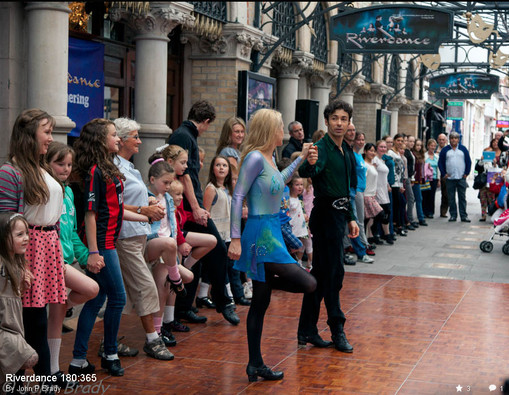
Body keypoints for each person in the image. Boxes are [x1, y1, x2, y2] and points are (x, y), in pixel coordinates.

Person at [228, 108, 317, 382]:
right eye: (280, 127)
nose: (283, 132)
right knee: (309, 284)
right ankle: (255, 362)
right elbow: (238, 195)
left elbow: (281, 179)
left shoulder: (268, 157)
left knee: (261, 302)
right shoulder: (255, 157)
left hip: (271, 231)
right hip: (259, 233)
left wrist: (300, 159)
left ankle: (255, 364)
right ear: (270, 130)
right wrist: (234, 238)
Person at [70, 118, 149, 377]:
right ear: (100, 140)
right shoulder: (94, 171)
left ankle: (78, 360)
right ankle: (110, 353)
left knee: (98, 298)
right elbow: (91, 215)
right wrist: (93, 252)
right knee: (118, 297)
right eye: (114, 135)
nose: (118, 138)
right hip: (102, 245)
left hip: (107, 242)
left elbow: (117, 210)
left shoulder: (108, 169)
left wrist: (146, 216)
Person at [0, 109, 66, 385]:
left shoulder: (37, 167)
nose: (51, 138)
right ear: (29, 135)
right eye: (47, 132)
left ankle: (44, 378)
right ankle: (27, 383)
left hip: (47, 248)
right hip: (26, 252)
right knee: (22, 322)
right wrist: (20, 264)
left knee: (37, 317)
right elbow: (7, 223)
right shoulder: (11, 171)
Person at [167, 100, 239, 326]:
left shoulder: (187, 135)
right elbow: (184, 175)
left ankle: (184, 307)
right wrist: (196, 207)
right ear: (206, 121)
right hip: (187, 209)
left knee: (198, 257)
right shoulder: (183, 136)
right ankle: (223, 300)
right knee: (217, 246)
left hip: (191, 206)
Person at [297, 99, 360, 354]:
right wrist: (310, 162)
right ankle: (337, 328)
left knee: (322, 276)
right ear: (326, 120)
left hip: (339, 215)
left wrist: (352, 217)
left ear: (348, 122)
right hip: (324, 216)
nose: (339, 123)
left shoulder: (346, 150)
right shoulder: (320, 148)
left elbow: (347, 189)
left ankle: (307, 330)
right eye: (335, 118)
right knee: (335, 274)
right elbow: (307, 170)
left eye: (344, 119)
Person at [113, 117, 178, 361]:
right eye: (135, 136)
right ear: (121, 140)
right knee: (145, 286)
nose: (140, 140)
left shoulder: (130, 166)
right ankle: (153, 338)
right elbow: (115, 205)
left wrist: (147, 202)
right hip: (125, 237)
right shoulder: (115, 167)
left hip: (137, 236)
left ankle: (109, 341)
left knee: (123, 294)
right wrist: (144, 211)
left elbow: (130, 199)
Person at [45, 142, 100, 384]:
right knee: (92, 289)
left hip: (66, 260)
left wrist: (86, 255)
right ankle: (49, 372)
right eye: (60, 164)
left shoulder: (67, 192)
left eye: (69, 164)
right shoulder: (46, 191)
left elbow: (73, 233)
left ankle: (54, 372)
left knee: (55, 321)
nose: (66, 169)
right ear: (46, 163)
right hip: (52, 262)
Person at [145, 158, 194, 345]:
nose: (168, 187)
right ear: (152, 180)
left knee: (180, 280)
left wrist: (177, 242)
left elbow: (172, 224)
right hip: (153, 245)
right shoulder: (147, 195)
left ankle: (159, 329)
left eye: (170, 183)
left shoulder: (167, 198)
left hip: (168, 250)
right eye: (165, 183)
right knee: (164, 285)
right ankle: (157, 332)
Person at [203, 155, 250, 306]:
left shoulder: (228, 190)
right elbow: (206, 213)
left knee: (230, 266)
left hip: (229, 233)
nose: (221, 168)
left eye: (224, 165)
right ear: (213, 168)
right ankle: (224, 296)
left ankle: (229, 295)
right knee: (218, 267)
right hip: (216, 234)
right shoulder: (211, 189)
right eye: (218, 165)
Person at [0, 212, 38, 391]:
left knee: (10, 379)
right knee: (30, 357)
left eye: (27, 234)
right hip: (3, 329)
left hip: (14, 327)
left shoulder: (17, 263)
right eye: (19, 234)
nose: (26, 239)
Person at [438, 131, 472, 222]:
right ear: (449, 140)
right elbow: (440, 163)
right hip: (450, 178)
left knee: (462, 198)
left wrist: (467, 173)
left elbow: (468, 161)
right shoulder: (445, 150)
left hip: (461, 177)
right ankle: (453, 215)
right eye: (452, 138)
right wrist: (444, 173)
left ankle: (463, 216)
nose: (454, 140)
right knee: (451, 198)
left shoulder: (463, 149)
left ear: (458, 140)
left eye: (456, 138)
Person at [288, 175, 313, 270]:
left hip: (300, 229)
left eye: (301, 184)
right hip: (292, 230)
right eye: (297, 185)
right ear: (291, 186)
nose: (300, 187)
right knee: (293, 249)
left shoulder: (299, 199)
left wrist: (304, 216)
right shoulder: (289, 200)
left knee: (300, 246)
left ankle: (297, 264)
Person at [362, 143, 383, 251]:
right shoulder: (364, 165)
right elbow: (363, 180)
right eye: (370, 150)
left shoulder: (371, 164)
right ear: (365, 151)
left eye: (374, 151)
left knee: (368, 218)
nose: (372, 153)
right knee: (379, 213)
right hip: (366, 195)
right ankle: (367, 239)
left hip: (372, 195)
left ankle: (367, 238)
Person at [373, 140, 392, 244]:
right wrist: (374, 190)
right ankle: (375, 235)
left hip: (384, 189)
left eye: (385, 147)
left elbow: (384, 176)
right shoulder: (375, 160)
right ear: (377, 148)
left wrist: (388, 185)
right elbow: (373, 175)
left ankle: (386, 234)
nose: (383, 149)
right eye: (381, 147)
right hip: (377, 190)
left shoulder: (382, 160)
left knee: (387, 212)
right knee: (378, 213)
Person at [411, 139, 428, 226]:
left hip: (419, 179)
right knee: (417, 199)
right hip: (414, 180)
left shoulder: (421, 155)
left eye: (420, 145)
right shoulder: (412, 154)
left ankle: (419, 217)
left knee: (417, 199)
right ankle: (420, 218)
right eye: (417, 145)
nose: (418, 147)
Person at [423, 138, 440, 219]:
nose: (433, 147)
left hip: (434, 178)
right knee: (425, 194)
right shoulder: (424, 156)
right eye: (431, 145)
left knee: (432, 195)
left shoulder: (437, 156)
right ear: (428, 146)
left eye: (434, 146)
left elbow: (438, 169)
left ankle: (431, 212)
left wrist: (439, 179)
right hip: (426, 178)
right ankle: (424, 211)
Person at [437, 133, 449, 218]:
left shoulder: (448, 150)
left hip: (446, 174)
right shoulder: (434, 150)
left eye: (443, 139)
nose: (441, 141)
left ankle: (443, 211)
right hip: (435, 174)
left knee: (446, 194)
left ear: (446, 141)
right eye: (440, 139)